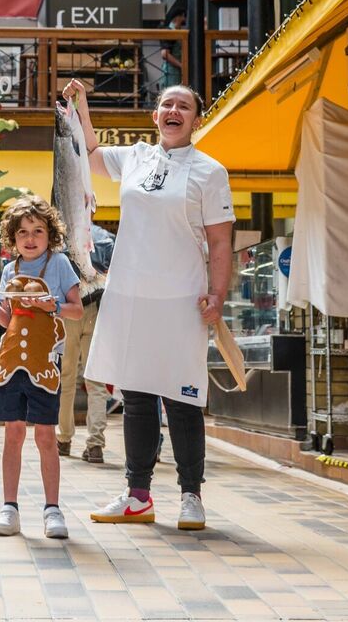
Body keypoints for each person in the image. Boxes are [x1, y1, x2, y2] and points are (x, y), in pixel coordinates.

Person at [64, 79, 234, 531]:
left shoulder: (210, 171)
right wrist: (82, 104)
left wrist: (217, 294)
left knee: (182, 399)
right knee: (137, 397)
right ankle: (137, 494)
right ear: (154, 116)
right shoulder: (135, 156)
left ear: (197, 120)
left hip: (183, 298)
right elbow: (93, 156)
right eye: (166, 105)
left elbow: (220, 242)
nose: (174, 111)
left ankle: (191, 495)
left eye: (184, 105)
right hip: (129, 295)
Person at [0, 196, 83, 540]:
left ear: (49, 234)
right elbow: (7, 318)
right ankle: (8, 507)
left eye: (38, 230)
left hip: (44, 365)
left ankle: (52, 509)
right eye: (23, 232)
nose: (30, 238)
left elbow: (77, 310)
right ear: (13, 237)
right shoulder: (10, 270)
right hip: (12, 364)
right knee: (13, 433)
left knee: (45, 436)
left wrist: (52, 304)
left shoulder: (59, 265)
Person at [56, 223, 115, 465]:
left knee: (66, 378)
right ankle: (95, 444)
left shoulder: (61, 237)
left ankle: (64, 438)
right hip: (97, 311)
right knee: (96, 381)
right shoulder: (106, 238)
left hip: (70, 311)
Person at [160, 10, 186, 88]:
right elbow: (165, 54)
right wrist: (182, 65)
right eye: (182, 16)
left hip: (174, 72)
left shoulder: (175, 32)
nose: (184, 19)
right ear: (177, 18)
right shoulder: (170, 32)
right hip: (171, 72)